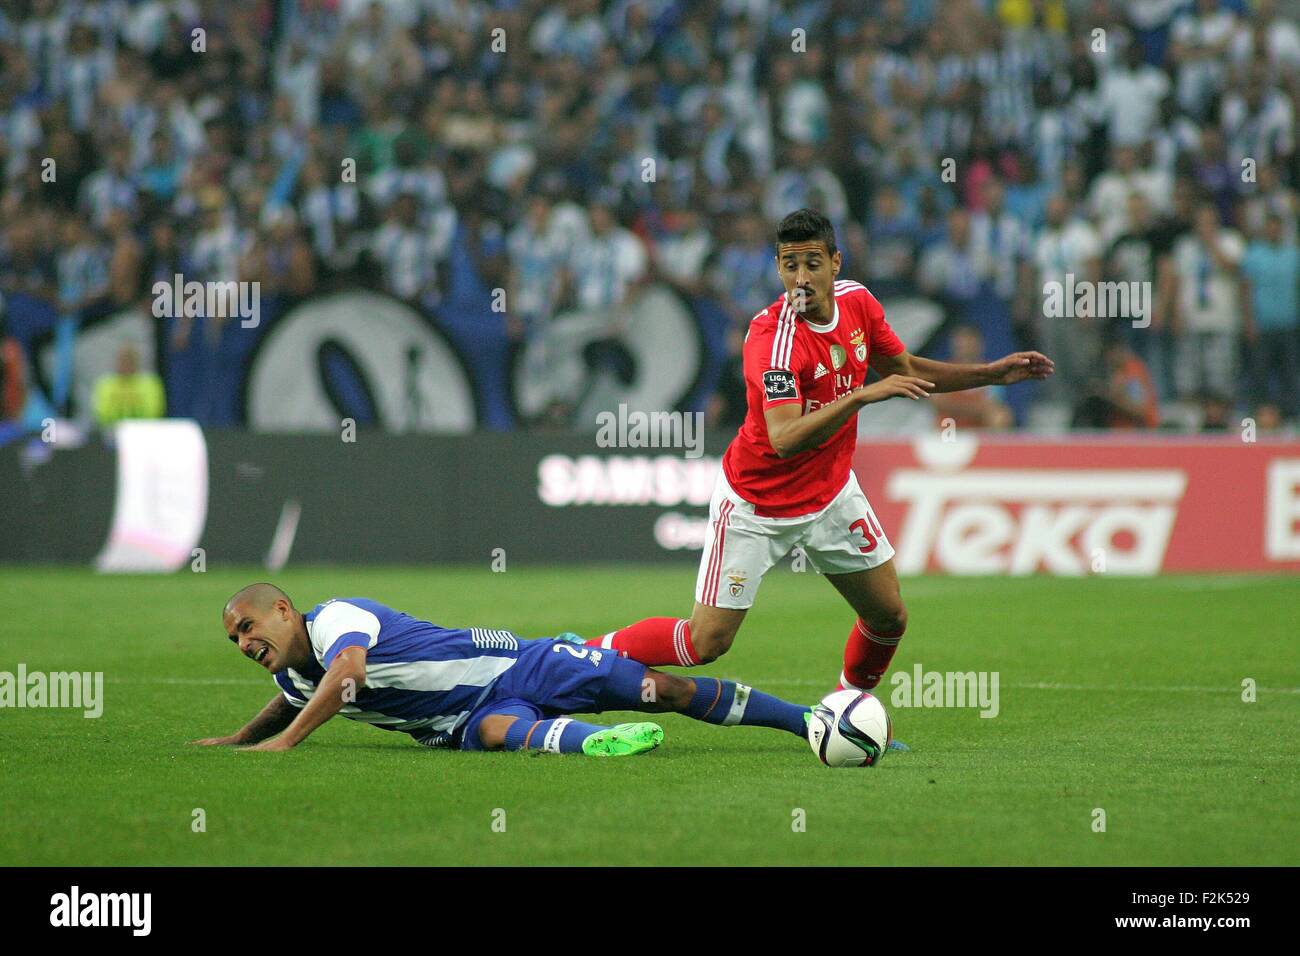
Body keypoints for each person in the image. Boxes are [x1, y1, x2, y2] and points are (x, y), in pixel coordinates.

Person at [580, 208, 1052, 694]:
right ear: (778, 268)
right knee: (706, 642)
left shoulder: (859, 304)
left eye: (812, 263)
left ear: (835, 262)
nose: (801, 278)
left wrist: (990, 374)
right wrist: (860, 396)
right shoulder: (773, 340)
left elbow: (905, 366)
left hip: (830, 494)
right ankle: (578, 655)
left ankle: (849, 711)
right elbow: (783, 438)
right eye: (789, 265)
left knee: (888, 615)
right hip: (758, 504)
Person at [192, 584, 813, 757]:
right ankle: (601, 742)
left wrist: (283, 745)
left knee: (664, 688)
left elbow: (348, 673)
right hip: (464, 721)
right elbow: (294, 698)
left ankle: (805, 722)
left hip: (520, 664)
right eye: (233, 640)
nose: (243, 643)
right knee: (503, 734)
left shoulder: (334, 620)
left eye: (247, 628)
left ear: (282, 610)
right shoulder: (292, 677)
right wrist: (240, 738)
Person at [92, 344, 165, 427]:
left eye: (129, 361)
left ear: (136, 362)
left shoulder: (150, 384)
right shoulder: (105, 384)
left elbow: (154, 413)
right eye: (122, 361)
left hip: (143, 430)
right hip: (111, 432)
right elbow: (101, 414)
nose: (125, 365)